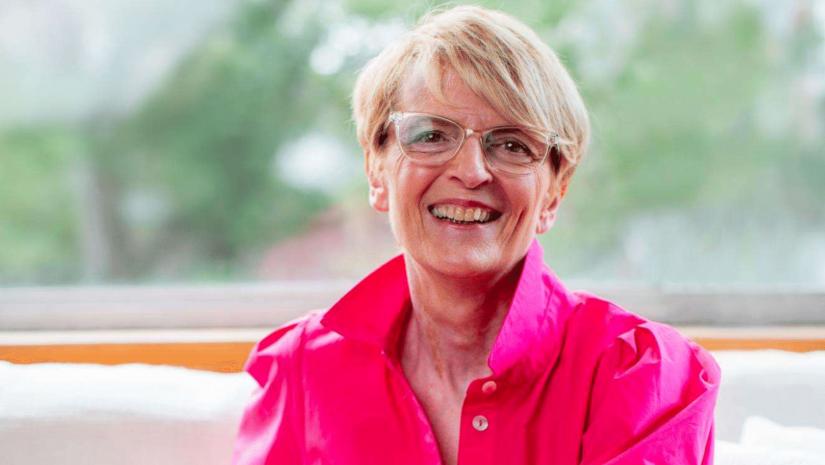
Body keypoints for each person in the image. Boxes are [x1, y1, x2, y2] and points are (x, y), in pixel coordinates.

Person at [231, 5, 720, 465]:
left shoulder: (642, 378)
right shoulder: (301, 374)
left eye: (511, 144)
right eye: (430, 135)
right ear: (376, 173)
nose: (470, 171)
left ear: (554, 191)